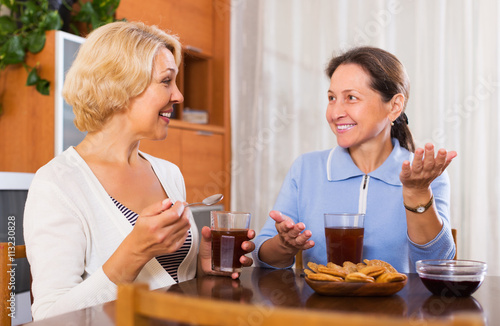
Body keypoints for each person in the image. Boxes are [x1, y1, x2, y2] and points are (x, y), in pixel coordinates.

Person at [23, 21, 255, 321]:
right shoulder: (57, 184)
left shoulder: (168, 173)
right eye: (166, 81)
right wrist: (134, 252)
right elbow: (49, 317)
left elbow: (169, 280)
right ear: (120, 86)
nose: (179, 96)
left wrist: (201, 266)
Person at [252, 46, 457, 273]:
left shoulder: (424, 175)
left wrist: (417, 193)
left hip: (399, 307)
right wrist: (283, 246)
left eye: (351, 97)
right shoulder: (306, 169)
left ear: (394, 106)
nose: (335, 112)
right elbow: (264, 256)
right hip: (320, 307)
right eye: (331, 98)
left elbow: (438, 264)